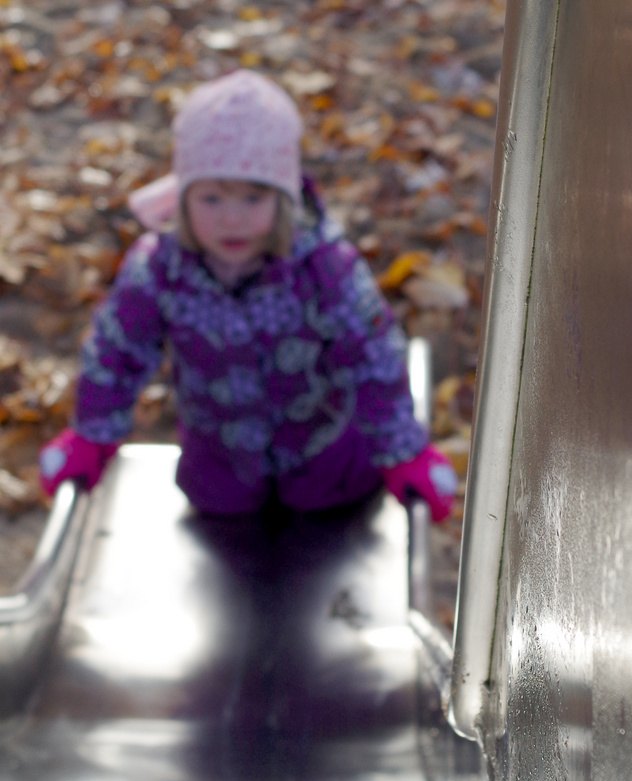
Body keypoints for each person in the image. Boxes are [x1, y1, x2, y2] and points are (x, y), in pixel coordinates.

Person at [39, 70, 457, 520]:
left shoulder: (323, 268)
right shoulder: (161, 268)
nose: (231, 219)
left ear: (283, 199)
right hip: (219, 459)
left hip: (324, 454)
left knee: (328, 521)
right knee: (223, 522)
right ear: (183, 198)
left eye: (253, 198)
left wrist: (402, 452)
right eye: (212, 199)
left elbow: (371, 355)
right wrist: (93, 435)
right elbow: (117, 349)